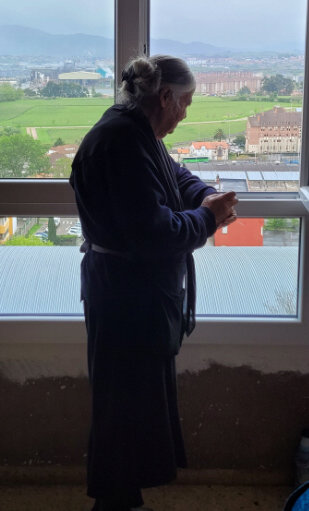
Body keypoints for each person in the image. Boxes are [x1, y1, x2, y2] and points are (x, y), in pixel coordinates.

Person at [70, 55, 239, 511]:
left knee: (132, 403)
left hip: (132, 295)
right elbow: (155, 233)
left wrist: (205, 195)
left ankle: (124, 498)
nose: (185, 115)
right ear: (165, 97)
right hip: (126, 299)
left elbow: (174, 174)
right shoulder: (121, 142)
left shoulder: (133, 130)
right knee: (123, 405)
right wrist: (208, 218)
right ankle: (114, 503)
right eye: (186, 103)